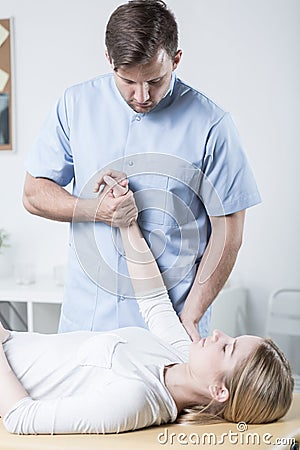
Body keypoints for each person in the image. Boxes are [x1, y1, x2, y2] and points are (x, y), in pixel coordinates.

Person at [22, 0, 262, 340]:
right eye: (128, 82)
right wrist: (97, 211)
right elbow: (33, 194)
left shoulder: (213, 125)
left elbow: (229, 234)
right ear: (109, 60)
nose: (142, 95)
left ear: (176, 59)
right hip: (86, 328)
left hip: (169, 327)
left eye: (155, 80)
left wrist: (189, 319)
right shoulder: (74, 105)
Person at [0, 178, 294, 434]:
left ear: (219, 391)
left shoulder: (136, 400)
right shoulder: (178, 356)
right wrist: (126, 219)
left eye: (228, 348)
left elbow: (22, 418)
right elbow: (153, 299)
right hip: (11, 341)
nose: (218, 335)